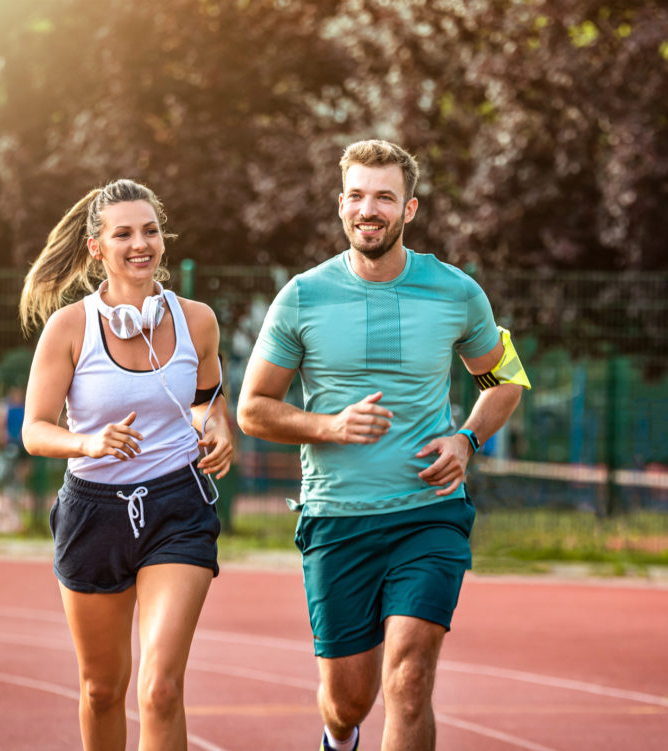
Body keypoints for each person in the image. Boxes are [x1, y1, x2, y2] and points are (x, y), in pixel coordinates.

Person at [237, 140, 530, 751]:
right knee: (349, 702)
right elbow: (253, 410)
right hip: (336, 518)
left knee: (411, 675)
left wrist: (468, 439)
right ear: (340, 204)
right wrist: (329, 427)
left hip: (428, 513)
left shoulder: (456, 292)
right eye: (356, 196)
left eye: (384, 197)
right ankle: (337, 738)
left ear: (410, 209)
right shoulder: (302, 296)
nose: (368, 209)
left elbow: (506, 380)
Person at [19, 178, 233, 751]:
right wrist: (88, 443)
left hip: (176, 509)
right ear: (97, 248)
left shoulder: (198, 321)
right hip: (93, 516)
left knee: (161, 688)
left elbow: (206, 399)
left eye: (150, 231)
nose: (141, 244)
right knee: (101, 690)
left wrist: (217, 428)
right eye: (124, 234)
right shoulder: (69, 328)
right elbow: (35, 431)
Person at [0, 385, 29, 488]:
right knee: (8, 462)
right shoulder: (5, 406)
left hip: (21, 440)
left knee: (24, 464)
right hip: (9, 440)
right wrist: (0, 433)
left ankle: (19, 484)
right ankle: (6, 484)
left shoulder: (25, 406)